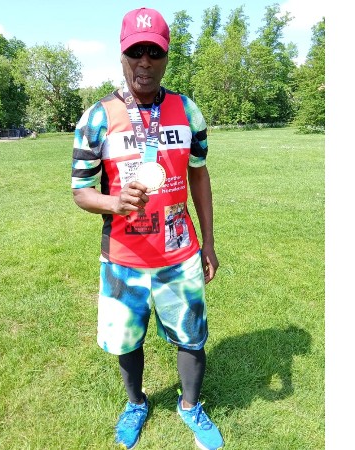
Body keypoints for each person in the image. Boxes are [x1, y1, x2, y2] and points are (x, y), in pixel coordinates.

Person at [71, 7, 224, 450]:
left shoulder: (187, 110)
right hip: (124, 257)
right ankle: (136, 403)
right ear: (122, 55)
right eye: (135, 52)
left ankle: (190, 406)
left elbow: (199, 174)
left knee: (191, 336)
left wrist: (208, 242)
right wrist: (113, 202)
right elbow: (80, 191)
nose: (144, 62)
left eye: (154, 52)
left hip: (180, 254)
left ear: (166, 56)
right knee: (126, 340)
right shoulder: (97, 117)